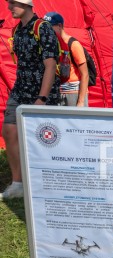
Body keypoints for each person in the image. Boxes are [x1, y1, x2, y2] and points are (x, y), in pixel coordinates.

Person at [1, 0, 60, 200]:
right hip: (20, 90)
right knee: (9, 131)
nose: (9, 7)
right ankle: (18, 183)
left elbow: (50, 65)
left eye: (13, 3)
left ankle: (46, 183)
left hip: (41, 93)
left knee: (45, 139)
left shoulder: (42, 28)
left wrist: (42, 98)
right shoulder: (17, 31)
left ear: (25, 5)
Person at [43, 12, 89, 107]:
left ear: (59, 26)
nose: (47, 31)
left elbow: (85, 74)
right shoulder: (50, 44)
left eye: (50, 27)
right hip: (56, 93)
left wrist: (80, 101)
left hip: (73, 93)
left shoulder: (73, 44)